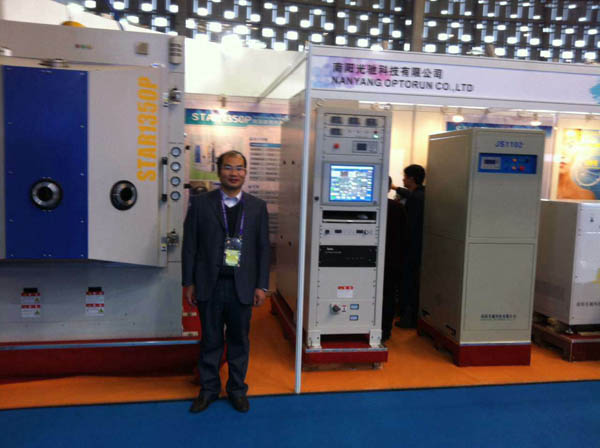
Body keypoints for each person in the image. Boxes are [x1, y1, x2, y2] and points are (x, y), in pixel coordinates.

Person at [182, 150, 270, 414]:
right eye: (229, 167)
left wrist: (261, 285)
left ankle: (237, 390)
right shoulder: (201, 204)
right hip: (209, 284)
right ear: (219, 171)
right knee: (210, 340)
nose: (234, 173)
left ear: (245, 172)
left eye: (239, 168)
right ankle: (209, 390)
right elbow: (190, 246)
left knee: (239, 340)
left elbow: (263, 249)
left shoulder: (257, 207)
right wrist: (189, 282)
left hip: (242, 286)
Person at [393, 164, 425, 328]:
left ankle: (408, 318)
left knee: (408, 282)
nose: (403, 179)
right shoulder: (423, 193)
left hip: (411, 247)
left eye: (405, 176)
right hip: (418, 247)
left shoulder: (415, 198)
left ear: (411, 178)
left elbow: (409, 225)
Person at [382, 177, 407, 342]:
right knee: (388, 295)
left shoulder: (367, 207)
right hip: (393, 259)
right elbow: (405, 235)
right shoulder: (397, 208)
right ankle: (385, 331)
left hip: (373, 260)